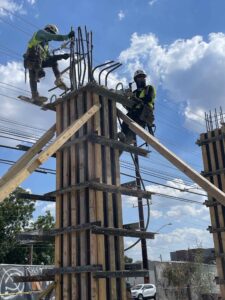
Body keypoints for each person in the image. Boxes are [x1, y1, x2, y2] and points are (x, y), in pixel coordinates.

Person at [24, 24, 75, 102]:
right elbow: (53, 37)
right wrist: (67, 36)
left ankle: (58, 80)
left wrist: (62, 56)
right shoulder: (40, 33)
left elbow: (49, 58)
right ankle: (35, 95)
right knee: (36, 72)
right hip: (31, 59)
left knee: (53, 62)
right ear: (48, 30)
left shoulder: (46, 45)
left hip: (39, 61)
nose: (50, 39)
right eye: (51, 34)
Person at [118, 69, 156, 145]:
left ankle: (129, 138)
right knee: (126, 119)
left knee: (133, 115)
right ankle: (125, 137)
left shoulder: (149, 88)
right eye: (139, 77)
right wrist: (125, 100)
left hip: (146, 113)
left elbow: (148, 99)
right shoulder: (135, 92)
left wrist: (134, 98)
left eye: (143, 77)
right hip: (136, 113)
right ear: (136, 80)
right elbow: (131, 106)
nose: (142, 79)